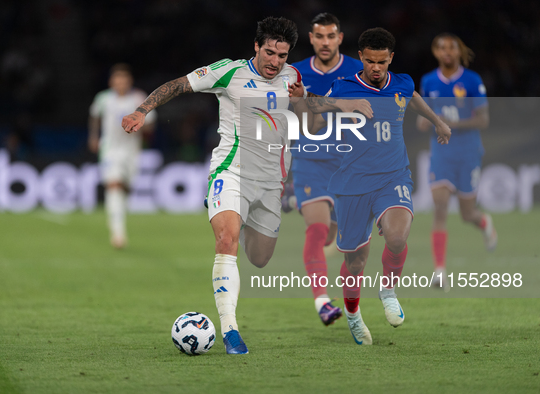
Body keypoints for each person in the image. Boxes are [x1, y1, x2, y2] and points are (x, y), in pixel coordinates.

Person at [122, 17, 304, 355]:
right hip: (230, 170)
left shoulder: (294, 78)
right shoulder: (229, 72)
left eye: (282, 55)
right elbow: (178, 85)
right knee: (226, 240)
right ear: (255, 46)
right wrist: (142, 110)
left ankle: (244, 220)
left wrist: (305, 100)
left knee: (261, 258)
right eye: (269, 53)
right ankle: (230, 330)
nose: (275, 62)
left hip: (270, 183)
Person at [290, 27, 451, 345]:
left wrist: (437, 121)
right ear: (360, 57)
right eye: (370, 62)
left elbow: (413, 97)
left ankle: (388, 290)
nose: (376, 68)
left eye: (382, 62)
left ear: (391, 58)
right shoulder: (345, 86)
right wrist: (337, 107)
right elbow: (317, 108)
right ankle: (352, 313)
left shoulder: (402, 82)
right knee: (356, 261)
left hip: (393, 177)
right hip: (351, 184)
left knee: (396, 237)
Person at [289, 13, 364, 326]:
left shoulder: (358, 71)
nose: (324, 42)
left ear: (340, 38)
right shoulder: (296, 73)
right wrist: (335, 103)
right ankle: (322, 301)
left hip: (348, 164)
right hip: (310, 159)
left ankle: (352, 306)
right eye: (319, 36)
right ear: (311, 38)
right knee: (317, 230)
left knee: (345, 241)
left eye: (330, 36)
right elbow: (307, 123)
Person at [416, 33, 497, 290]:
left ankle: (484, 223)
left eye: (451, 47)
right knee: (440, 209)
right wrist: (427, 120)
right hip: (441, 154)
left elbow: (483, 120)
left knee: (466, 213)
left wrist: (449, 124)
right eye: (441, 47)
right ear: (435, 51)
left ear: (459, 51)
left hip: (468, 153)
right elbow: (422, 119)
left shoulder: (472, 81)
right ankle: (440, 271)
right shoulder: (428, 81)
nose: (446, 52)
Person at [89, 64, 157, 249]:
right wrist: (93, 136)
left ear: (129, 81)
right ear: (112, 81)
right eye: (117, 79)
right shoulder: (103, 98)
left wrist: (140, 124)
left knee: (124, 188)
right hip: (110, 149)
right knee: (114, 184)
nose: (120, 83)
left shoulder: (138, 98)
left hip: (131, 151)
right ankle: (118, 233)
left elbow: (151, 124)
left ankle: (116, 216)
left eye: (124, 79)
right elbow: (95, 116)